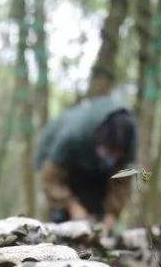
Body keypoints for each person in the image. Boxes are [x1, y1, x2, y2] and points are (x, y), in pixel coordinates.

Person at [35, 96, 138, 228]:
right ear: (99, 140)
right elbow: (51, 178)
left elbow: (123, 182)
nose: (111, 157)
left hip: (97, 173)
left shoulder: (129, 143)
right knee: (61, 217)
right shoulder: (73, 136)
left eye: (116, 154)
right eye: (108, 151)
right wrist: (72, 206)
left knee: (97, 212)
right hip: (67, 166)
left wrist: (112, 215)